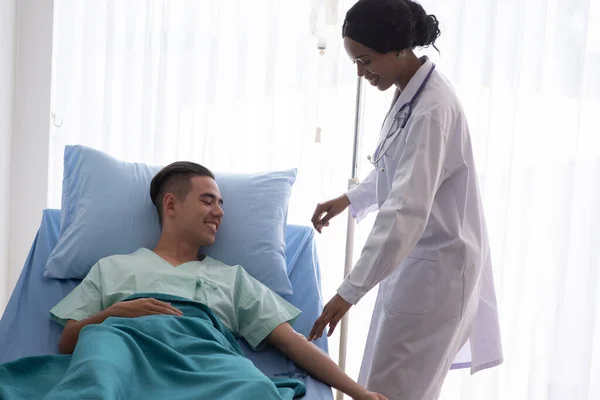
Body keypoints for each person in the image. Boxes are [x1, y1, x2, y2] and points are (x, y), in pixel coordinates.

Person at [40, 161, 388, 400]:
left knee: (254, 388)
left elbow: (294, 343)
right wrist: (116, 313)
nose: (219, 212)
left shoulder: (233, 279)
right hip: (122, 349)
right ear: (171, 204)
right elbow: (69, 340)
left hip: (204, 359)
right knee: (96, 379)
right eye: (208, 201)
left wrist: (359, 392)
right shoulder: (111, 268)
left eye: (221, 203)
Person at [308, 0, 503, 399]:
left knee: (391, 390)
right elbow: (396, 172)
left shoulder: (431, 109)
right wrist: (350, 198)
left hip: (435, 271)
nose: (362, 74)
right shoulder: (411, 94)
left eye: (366, 61)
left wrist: (348, 292)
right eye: (356, 64)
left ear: (399, 48)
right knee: (387, 386)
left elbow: (405, 209)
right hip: (418, 264)